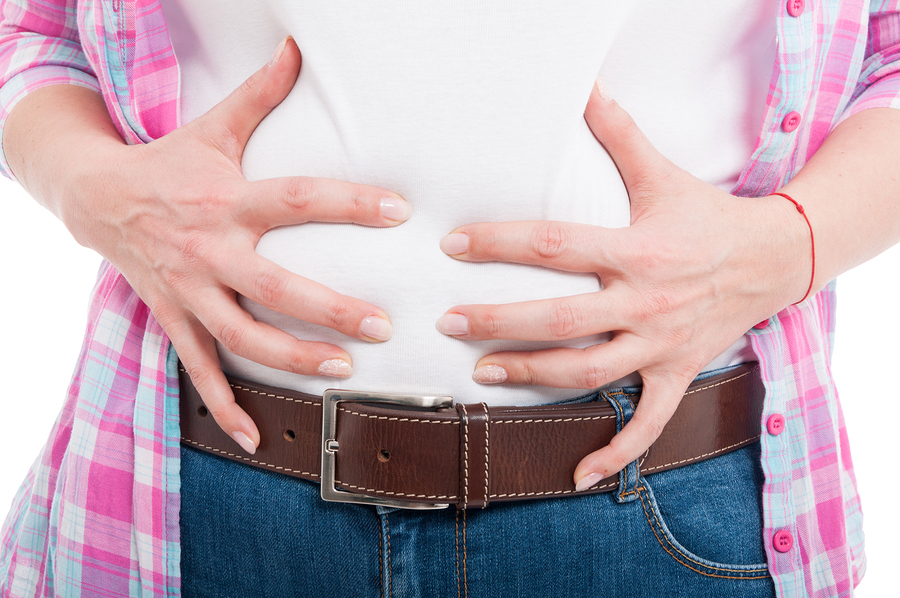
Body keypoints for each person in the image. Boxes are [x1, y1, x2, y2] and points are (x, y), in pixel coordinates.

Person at [1, 0, 899, 596]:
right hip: (202, 496)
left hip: (664, 506)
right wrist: (92, 189)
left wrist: (790, 246)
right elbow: (28, 24)